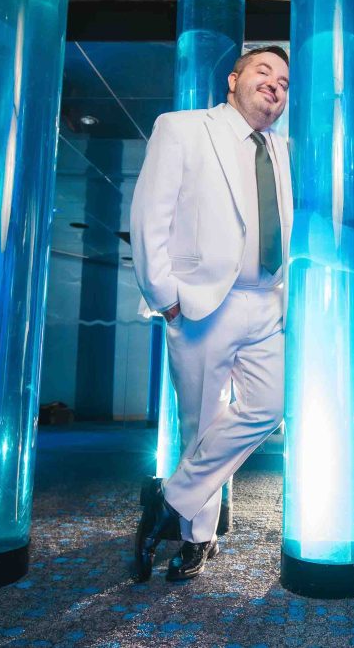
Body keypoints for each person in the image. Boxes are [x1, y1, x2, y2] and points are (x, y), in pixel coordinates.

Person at [130, 46, 291, 582]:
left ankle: (170, 500)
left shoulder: (284, 149)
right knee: (199, 423)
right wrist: (166, 297)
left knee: (270, 406)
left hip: (267, 301)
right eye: (264, 72)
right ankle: (197, 538)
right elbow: (150, 213)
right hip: (201, 303)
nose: (276, 84)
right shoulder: (183, 128)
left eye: (285, 82)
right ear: (234, 80)